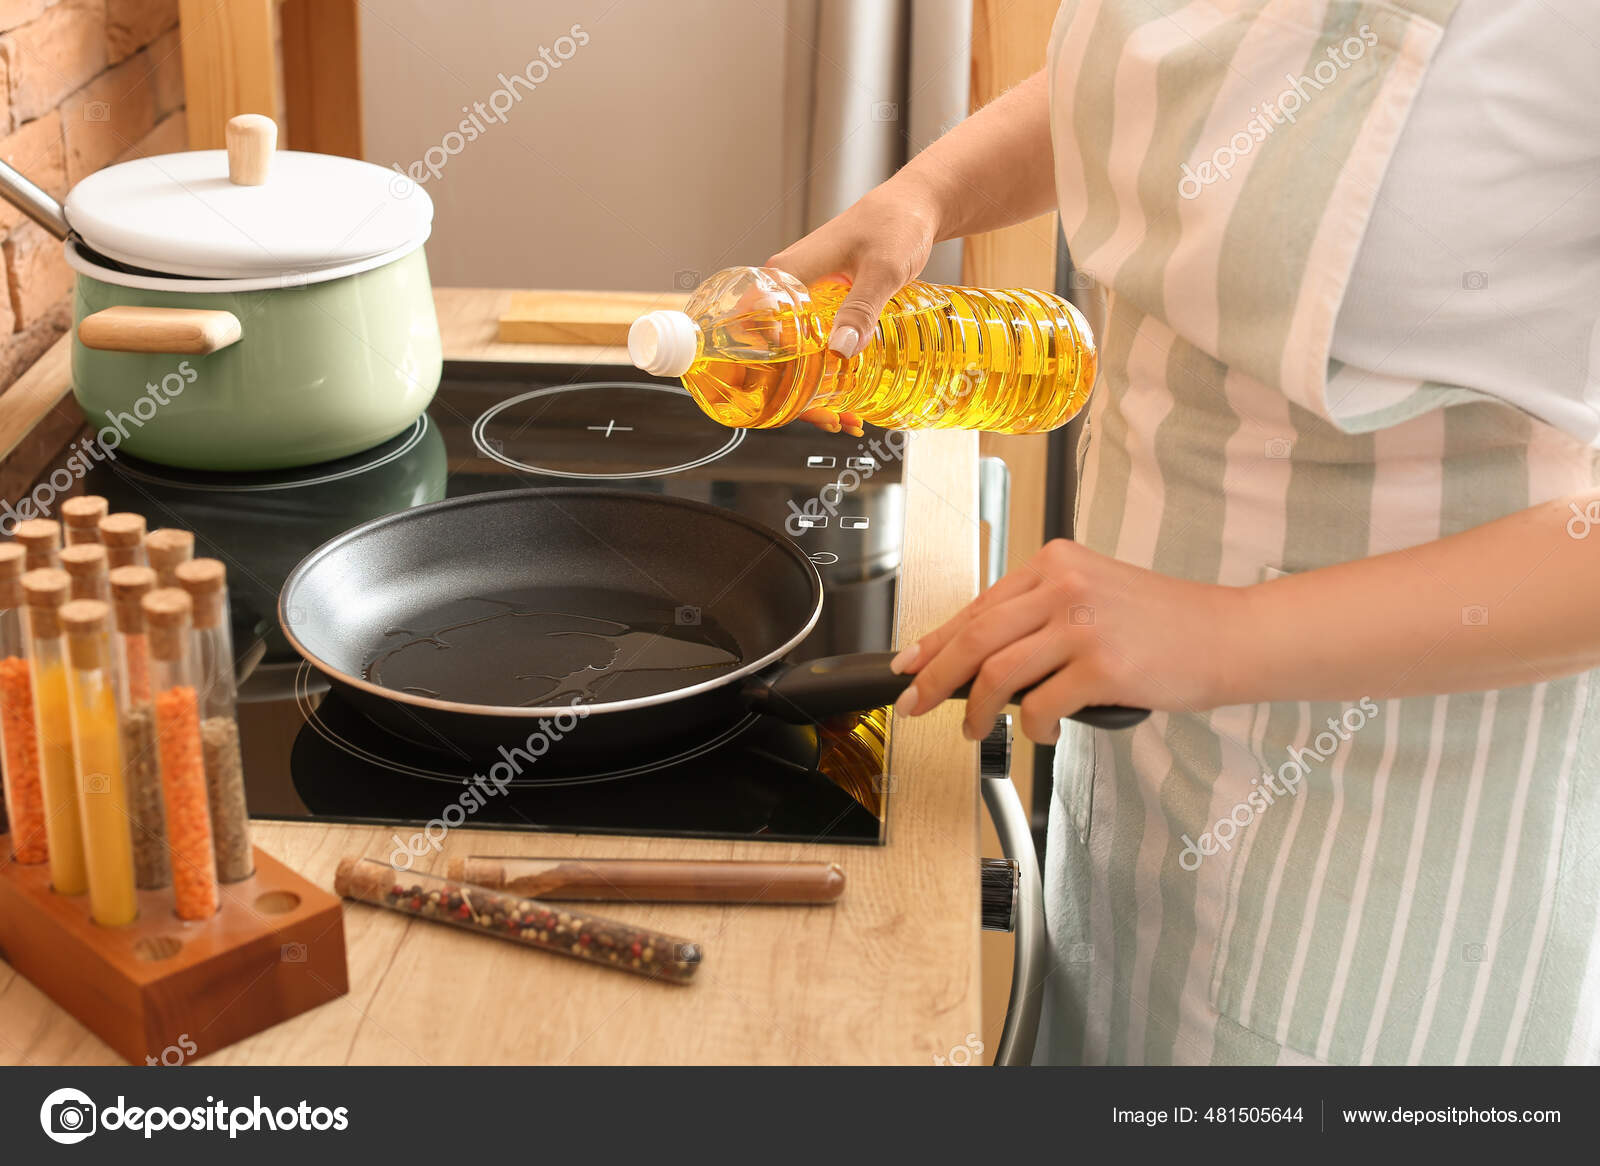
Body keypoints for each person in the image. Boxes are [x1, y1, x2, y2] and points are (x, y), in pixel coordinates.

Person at [767, 0, 1600, 1065]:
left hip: (1410, 818)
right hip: (1141, 745)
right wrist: (926, 193)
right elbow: (1171, 94)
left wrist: (1226, 633)